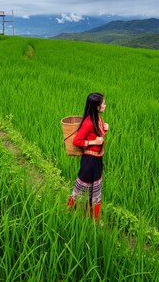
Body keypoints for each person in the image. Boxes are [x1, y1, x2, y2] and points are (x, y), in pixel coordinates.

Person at [67, 92, 109, 222]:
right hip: (89, 161)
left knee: (94, 189)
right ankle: (70, 212)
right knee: (82, 188)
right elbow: (77, 141)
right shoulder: (88, 122)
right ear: (97, 107)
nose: (105, 105)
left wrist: (104, 128)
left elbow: (97, 135)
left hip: (97, 160)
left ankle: (93, 218)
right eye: (103, 103)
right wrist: (93, 142)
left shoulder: (97, 119)